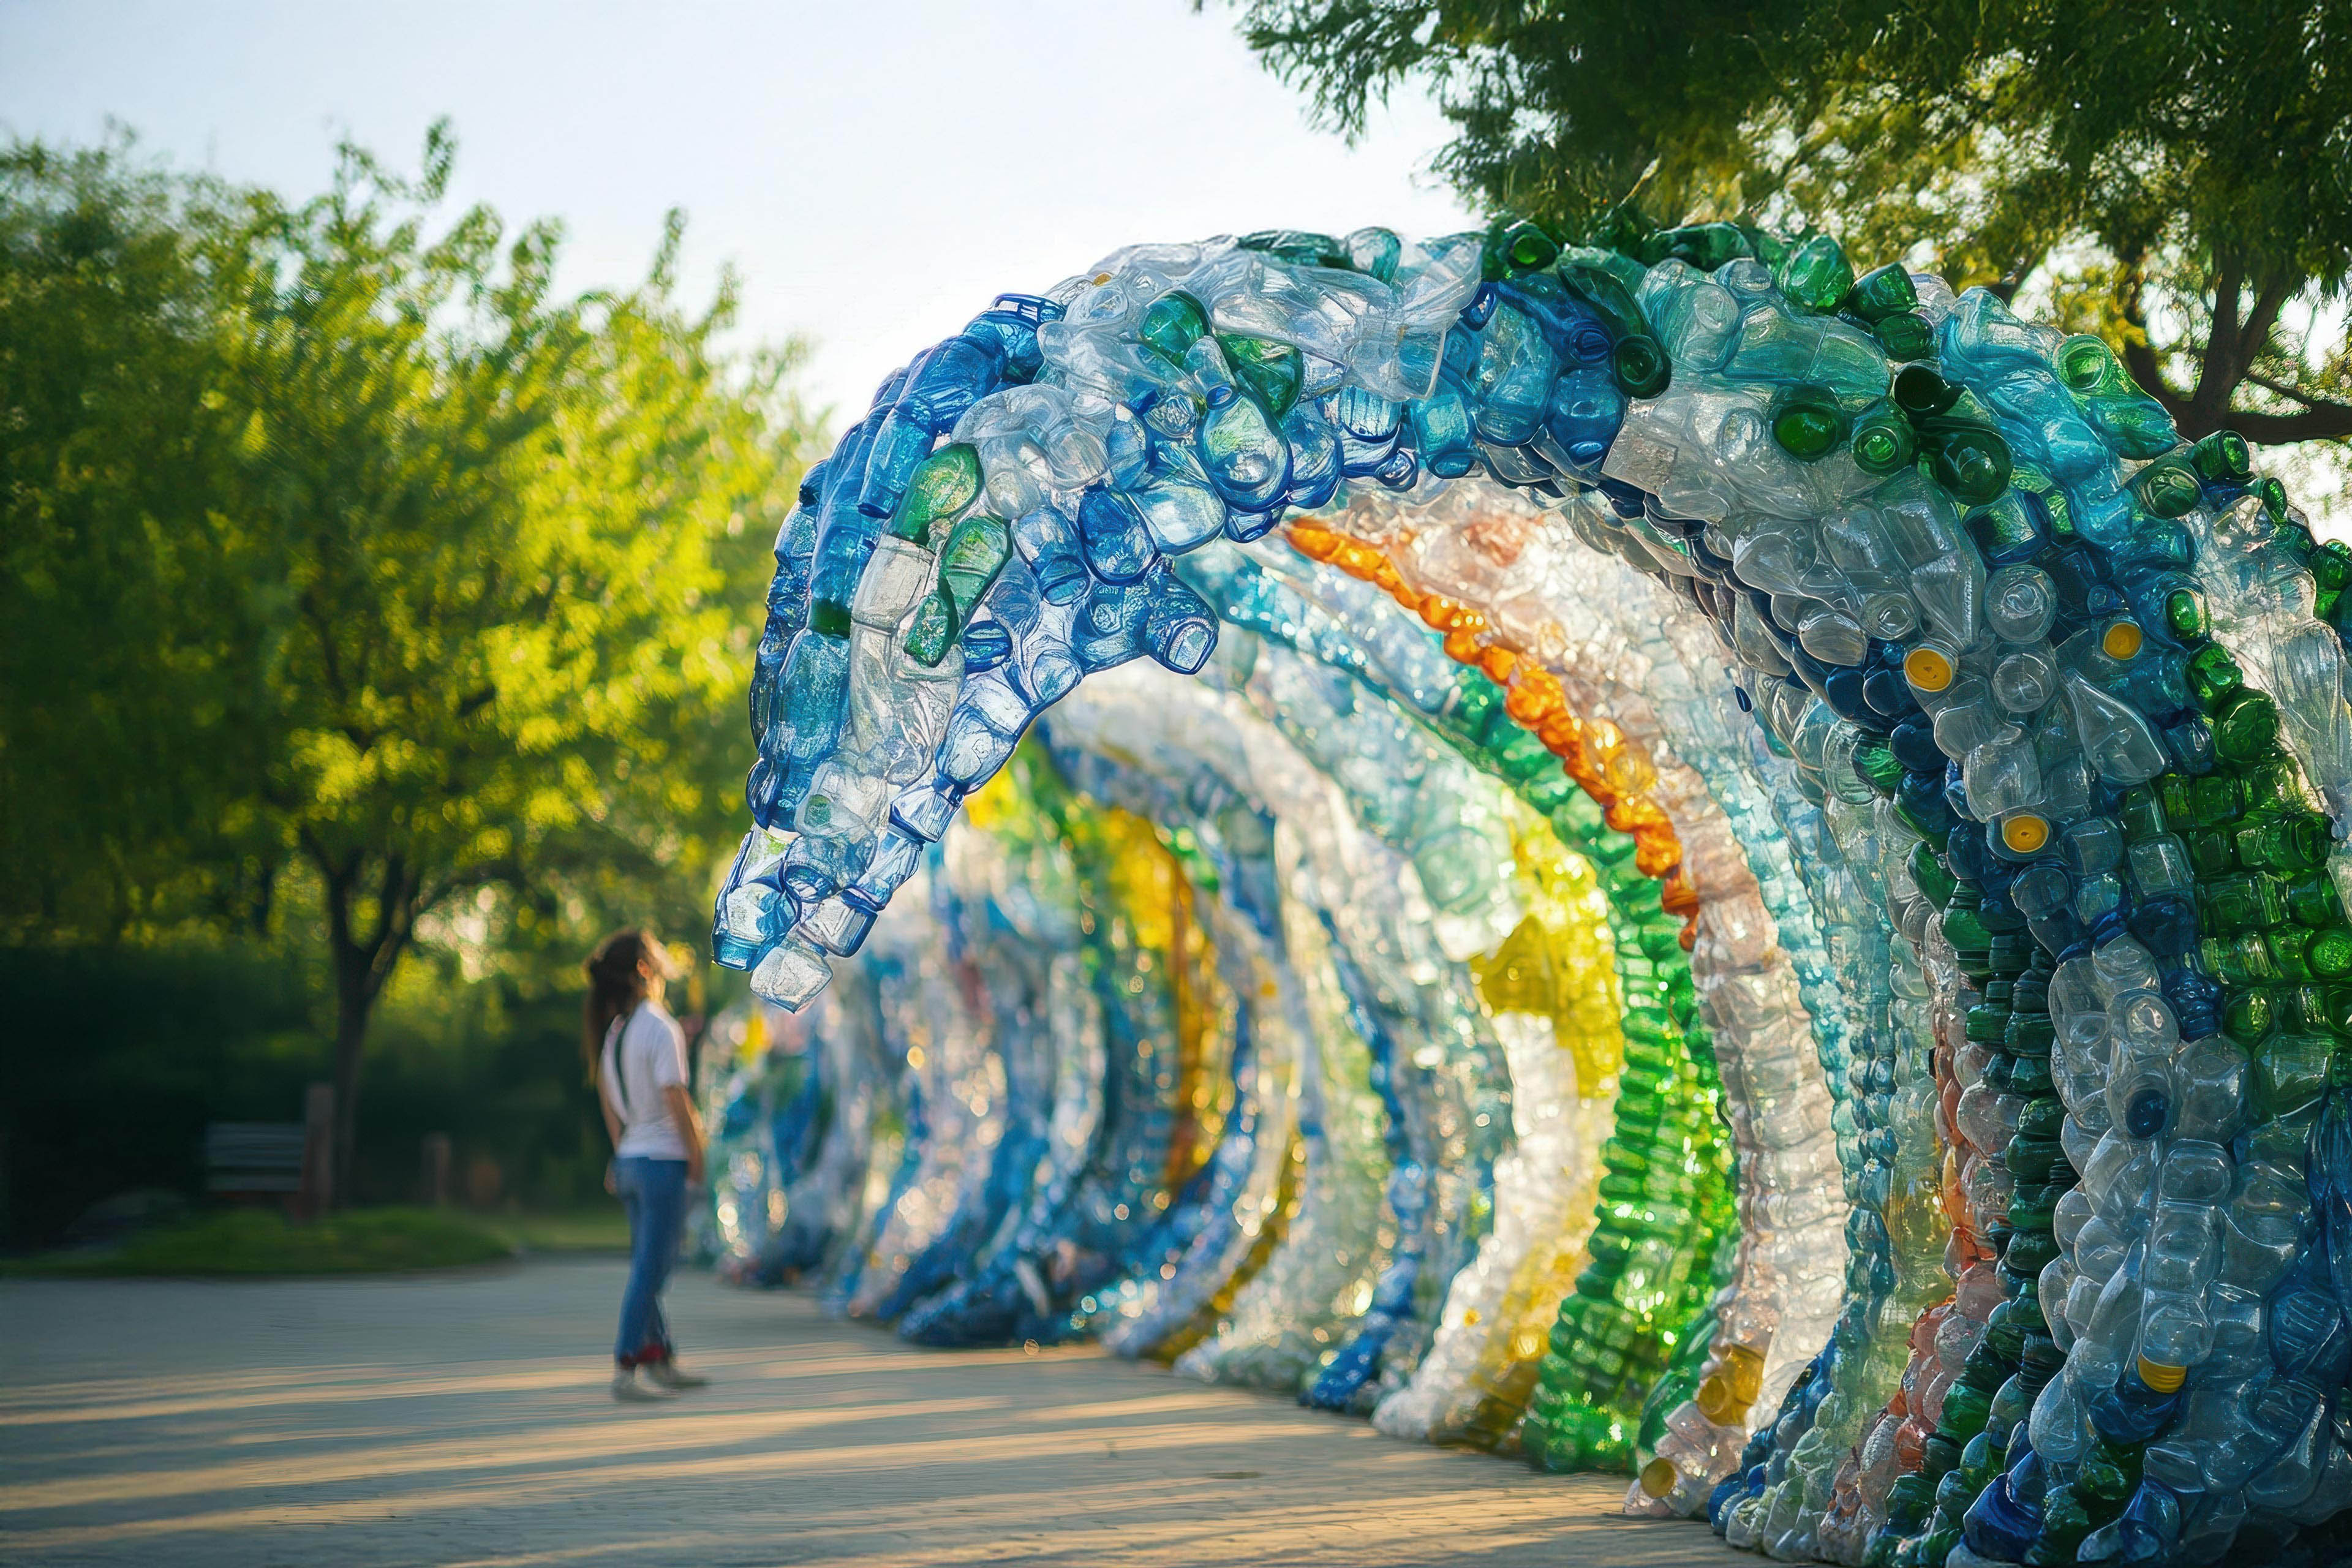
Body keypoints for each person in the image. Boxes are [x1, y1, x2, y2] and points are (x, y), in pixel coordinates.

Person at [585, 928, 710, 1401]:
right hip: (662, 1164)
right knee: (651, 1273)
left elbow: (605, 1097)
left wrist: (619, 1151)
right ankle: (625, 1366)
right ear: (643, 969)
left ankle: (660, 1359)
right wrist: (697, 1156)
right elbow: (675, 1098)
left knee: (647, 1267)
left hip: (634, 1160)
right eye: (657, 957)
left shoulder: (615, 1032)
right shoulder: (660, 1026)